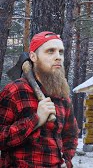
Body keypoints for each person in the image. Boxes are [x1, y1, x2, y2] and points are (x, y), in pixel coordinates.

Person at [0, 31, 79, 167]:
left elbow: (71, 134)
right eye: (50, 51)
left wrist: (67, 159)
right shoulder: (15, 91)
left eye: (61, 52)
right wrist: (36, 119)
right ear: (33, 56)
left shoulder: (63, 96)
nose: (58, 57)